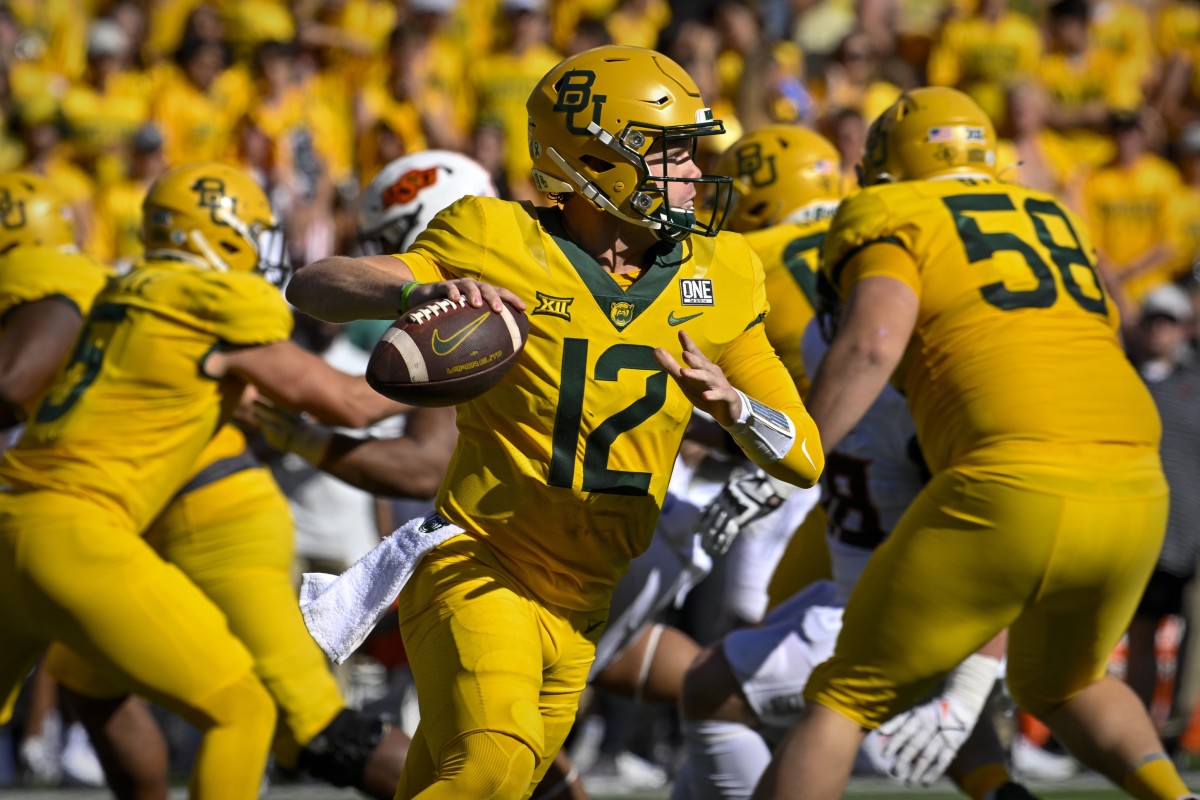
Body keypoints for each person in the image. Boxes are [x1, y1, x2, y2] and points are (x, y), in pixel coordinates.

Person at [286, 44, 823, 799]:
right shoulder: (494, 237)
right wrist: (413, 295)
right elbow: (316, 285)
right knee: (492, 768)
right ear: (597, 162)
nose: (697, 172)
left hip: (586, 602)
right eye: (672, 154)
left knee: (460, 782)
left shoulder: (725, 273)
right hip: (481, 562)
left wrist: (737, 409)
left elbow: (805, 456)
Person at [751, 86, 1192, 800]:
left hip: (1013, 476)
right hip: (1137, 481)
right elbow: (1101, 338)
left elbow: (872, 345)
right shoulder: (1053, 215)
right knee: (1067, 683)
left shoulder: (894, 211)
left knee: (843, 698)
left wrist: (790, 457)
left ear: (893, 162)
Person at [0, 161, 402, 800]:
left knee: (88, 680)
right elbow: (348, 403)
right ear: (220, 232)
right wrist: (453, 361)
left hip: (13, 515)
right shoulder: (214, 300)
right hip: (79, 531)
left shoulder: (125, 290)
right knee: (242, 710)